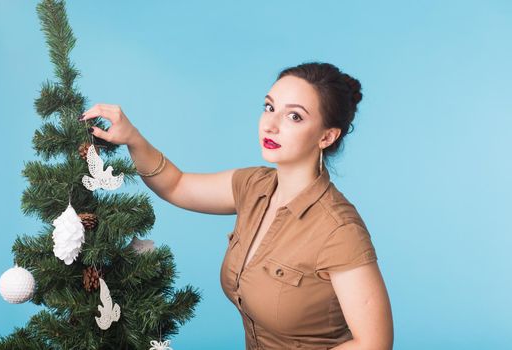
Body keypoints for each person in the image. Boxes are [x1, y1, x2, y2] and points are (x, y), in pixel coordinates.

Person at [78, 62, 394, 350]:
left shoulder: (338, 229)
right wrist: (133, 137)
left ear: (327, 136)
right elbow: (176, 185)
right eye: (269, 107)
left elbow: (374, 343)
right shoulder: (253, 186)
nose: (270, 125)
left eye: (294, 116)